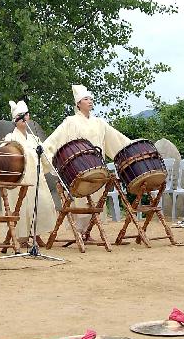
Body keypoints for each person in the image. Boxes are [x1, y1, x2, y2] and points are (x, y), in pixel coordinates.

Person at [42, 84, 130, 232]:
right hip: (78, 168)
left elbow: (117, 139)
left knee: (96, 199)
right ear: (78, 103)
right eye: (86, 99)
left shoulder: (99, 123)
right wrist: (45, 151)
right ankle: (81, 232)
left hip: (97, 168)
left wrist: (131, 146)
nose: (90, 101)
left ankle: (87, 232)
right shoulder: (70, 122)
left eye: (91, 99)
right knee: (80, 200)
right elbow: (54, 140)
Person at [3, 100, 57, 244]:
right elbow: (4, 155)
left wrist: (48, 157)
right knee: (21, 207)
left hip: (36, 178)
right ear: (15, 120)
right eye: (20, 116)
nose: (24, 118)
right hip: (19, 180)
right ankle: (22, 237)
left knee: (40, 203)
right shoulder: (10, 138)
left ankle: (36, 233)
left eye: (26, 115)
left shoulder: (35, 139)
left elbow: (45, 157)